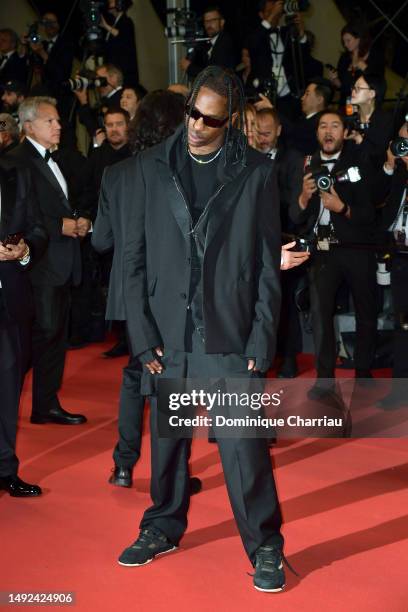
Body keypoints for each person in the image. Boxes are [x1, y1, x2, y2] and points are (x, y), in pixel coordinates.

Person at [116, 66, 286, 593]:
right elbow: (133, 258)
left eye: (209, 120)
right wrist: (141, 335)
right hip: (168, 334)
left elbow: (264, 264)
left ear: (229, 120)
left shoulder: (255, 171)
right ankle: (162, 525)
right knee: (168, 443)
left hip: (229, 332)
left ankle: (264, 545)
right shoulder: (150, 166)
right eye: (192, 112)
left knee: (242, 446)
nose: (195, 126)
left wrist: (261, 335)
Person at [93, 91, 203, 493]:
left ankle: (123, 465)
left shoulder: (116, 174)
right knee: (173, 384)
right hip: (170, 293)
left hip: (126, 293)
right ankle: (171, 476)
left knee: (134, 376)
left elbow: (102, 241)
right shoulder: (179, 171)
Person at [9, 97, 91, 425]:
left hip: (61, 261)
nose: (58, 126)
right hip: (39, 265)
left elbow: (58, 204)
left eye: (58, 121)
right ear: (28, 126)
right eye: (50, 121)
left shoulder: (53, 158)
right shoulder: (15, 160)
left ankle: (45, 405)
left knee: (55, 337)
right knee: (38, 338)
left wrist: (79, 220)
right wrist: (60, 225)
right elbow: (16, 213)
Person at [289, 111, 377, 384]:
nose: (328, 131)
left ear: (344, 132)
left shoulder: (358, 163)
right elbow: (294, 216)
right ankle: (324, 378)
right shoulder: (306, 164)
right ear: (316, 133)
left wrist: (344, 209)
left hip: (356, 247)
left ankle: (363, 371)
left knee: (366, 311)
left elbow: (371, 214)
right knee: (320, 315)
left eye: (334, 126)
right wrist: (303, 197)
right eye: (323, 126)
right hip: (323, 250)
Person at [0, 154, 48, 496]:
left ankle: (4, 469)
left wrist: (24, 249)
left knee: (7, 388)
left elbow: (37, 228)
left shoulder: (17, 175)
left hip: (10, 300)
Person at [70, 107, 133, 350]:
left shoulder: (138, 154)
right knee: (108, 283)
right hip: (104, 231)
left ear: (128, 126)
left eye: (119, 124)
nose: (114, 129)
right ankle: (117, 335)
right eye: (109, 125)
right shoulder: (97, 158)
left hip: (131, 230)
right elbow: (84, 192)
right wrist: (85, 216)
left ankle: (131, 338)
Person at [256, 107, 308, 376]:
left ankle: (288, 357)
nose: (262, 138)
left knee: (284, 301)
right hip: (258, 240)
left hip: (285, 239)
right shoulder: (249, 158)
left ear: (278, 130)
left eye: (267, 133)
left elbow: (294, 206)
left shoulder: (292, 159)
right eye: (258, 132)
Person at [372, 122, 408, 409]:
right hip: (400, 256)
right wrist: (388, 164)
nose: (403, 147)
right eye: (401, 141)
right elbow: (375, 198)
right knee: (401, 324)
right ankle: (399, 388)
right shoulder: (398, 172)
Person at [243, 0, 312, 120]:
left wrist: (301, 34)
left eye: (277, 11)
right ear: (261, 14)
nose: (275, 13)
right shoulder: (256, 34)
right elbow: (252, 45)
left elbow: (304, 58)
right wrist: (270, 18)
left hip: (288, 95)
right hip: (265, 94)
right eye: (270, 11)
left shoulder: (286, 32)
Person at [327, 21, 385, 107]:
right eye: (344, 41)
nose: (345, 44)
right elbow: (343, 87)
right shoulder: (344, 58)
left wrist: (365, 68)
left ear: (359, 38)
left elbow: (379, 84)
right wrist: (335, 80)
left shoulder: (375, 56)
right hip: (346, 105)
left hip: (365, 106)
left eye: (348, 40)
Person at [345, 73, 393, 172]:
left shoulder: (384, 120)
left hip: (374, 175)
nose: (353, 91)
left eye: (358, 88)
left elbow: (379, 156)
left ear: (372, 94)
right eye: (353, 88)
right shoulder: (352, 116)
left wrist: (359, 139)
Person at [180, 5, 237, 81]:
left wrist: (189, 68)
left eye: (213, 20)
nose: (209, 24)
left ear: (222, 22)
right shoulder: (209, 43)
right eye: (206, 21)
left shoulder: (225, 41)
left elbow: (215, 73)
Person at [76, 64, 124, 140]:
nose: (98, 84)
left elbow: (97, 129)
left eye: (100, 80)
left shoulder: (122, 98)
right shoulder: (105, 101)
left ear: (114, 78)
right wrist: (83, 100)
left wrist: (83, 102)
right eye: (96, 80)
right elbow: (87, 120)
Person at [287, 77, 333, 156]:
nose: (302, 98)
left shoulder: (321, 123)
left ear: (319, 100)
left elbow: (295, 133)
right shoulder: (304, 119)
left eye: (307, 94)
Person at [101, 0, 139, 86]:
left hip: (123, 73)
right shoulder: (114, 23)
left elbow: (121, 36)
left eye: (111, 2)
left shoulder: (127, 22)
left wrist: (105, 26)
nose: (108, 4)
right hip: (114, 69)